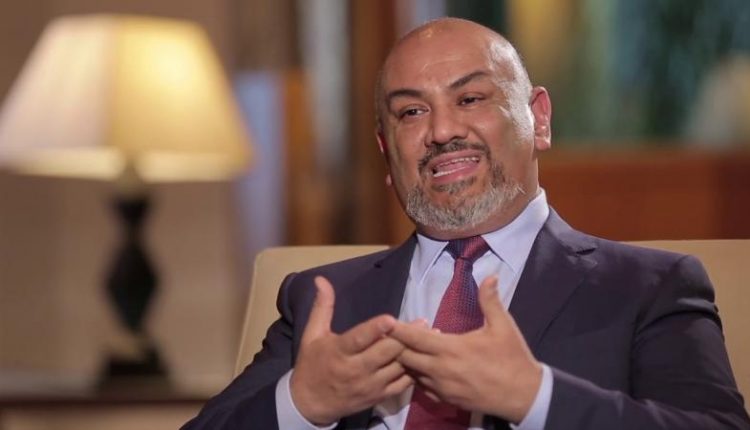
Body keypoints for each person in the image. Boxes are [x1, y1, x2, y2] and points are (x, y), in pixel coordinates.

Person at [182, 18, 749, 430]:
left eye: (471, 98)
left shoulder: (648, 287)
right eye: (411, 111)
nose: (442, 131)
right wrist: (302, 403)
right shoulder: (322, 299)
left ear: (539, 119)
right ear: (386, 153)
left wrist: (536, 398)